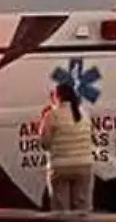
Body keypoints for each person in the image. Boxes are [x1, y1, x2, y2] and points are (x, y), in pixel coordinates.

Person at [40, 81, 96, 212]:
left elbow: (45, 143)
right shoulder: (84, 113)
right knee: (83, 206)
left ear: (57, 97)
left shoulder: (51, 115)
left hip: (60, 167)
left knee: (60, 208)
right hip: (84, 165)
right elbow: (91, 136)